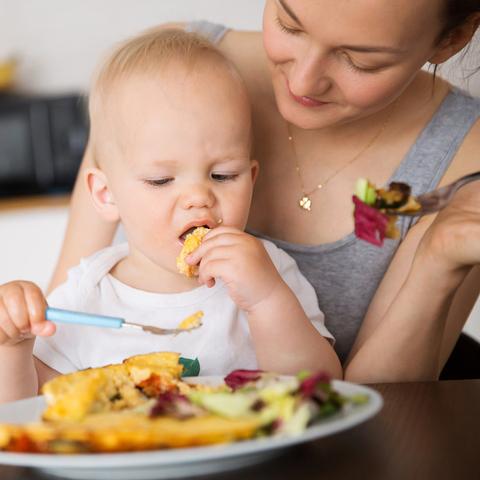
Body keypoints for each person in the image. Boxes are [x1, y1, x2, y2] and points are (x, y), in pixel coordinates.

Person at [50, 1, 480, 383]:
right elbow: (50, 343)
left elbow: (365, 409)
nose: (304, 81)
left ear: (452, 39)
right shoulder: (161, 73)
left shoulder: (465, 154)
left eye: (360, 60)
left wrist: (437, 261)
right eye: (290, 24)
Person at [0, 28, 341, 404]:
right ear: (106, 194)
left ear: (251, 178)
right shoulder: (87, 294)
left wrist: (267, 300)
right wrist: (13, 348)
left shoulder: (268, 271)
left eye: (223, 175)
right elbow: (29, 408)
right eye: (161, 180)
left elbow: (324, 390)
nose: (198, 198)